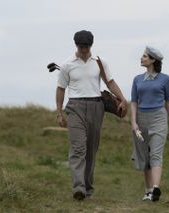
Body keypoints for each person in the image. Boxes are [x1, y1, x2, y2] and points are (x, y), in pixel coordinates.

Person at [55, 30, 127, 201]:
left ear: (91, 45)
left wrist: (123, 99)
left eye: (86, 47)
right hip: (75, 107)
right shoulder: (67, 65)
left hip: (96, 106)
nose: (84, 50)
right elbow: (60, 89)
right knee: (78, 147)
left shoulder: (100, 62)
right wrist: (59, 113)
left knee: (90, 150)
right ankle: (78, 188)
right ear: (76, 45)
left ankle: (88, 188)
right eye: (81, 47)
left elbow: (110, 82)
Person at [130, 46, 169, 202]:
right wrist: (133, 123)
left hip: (158, 118)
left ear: (152, 60)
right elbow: (133, 102)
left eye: (144, 56)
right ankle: (148, 190)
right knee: (144, 156)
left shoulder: (165, 79)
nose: (141, 58)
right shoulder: (137, 79)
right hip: (141, 118)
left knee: (155, 155)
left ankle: (156, 188)